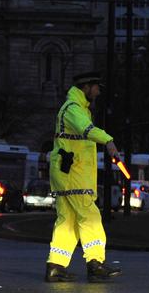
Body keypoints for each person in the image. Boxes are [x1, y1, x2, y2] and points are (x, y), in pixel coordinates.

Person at [45, 71, 122, 283]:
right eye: (96, 87)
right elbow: (86, 130)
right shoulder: (73, 109)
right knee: (90, 217)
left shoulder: (76, 109)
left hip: (67, 172)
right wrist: (108, 140)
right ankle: (95, 264)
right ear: (86, 87)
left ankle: (56, 266)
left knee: (67, 222)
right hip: (74, 174)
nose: (98, 91)